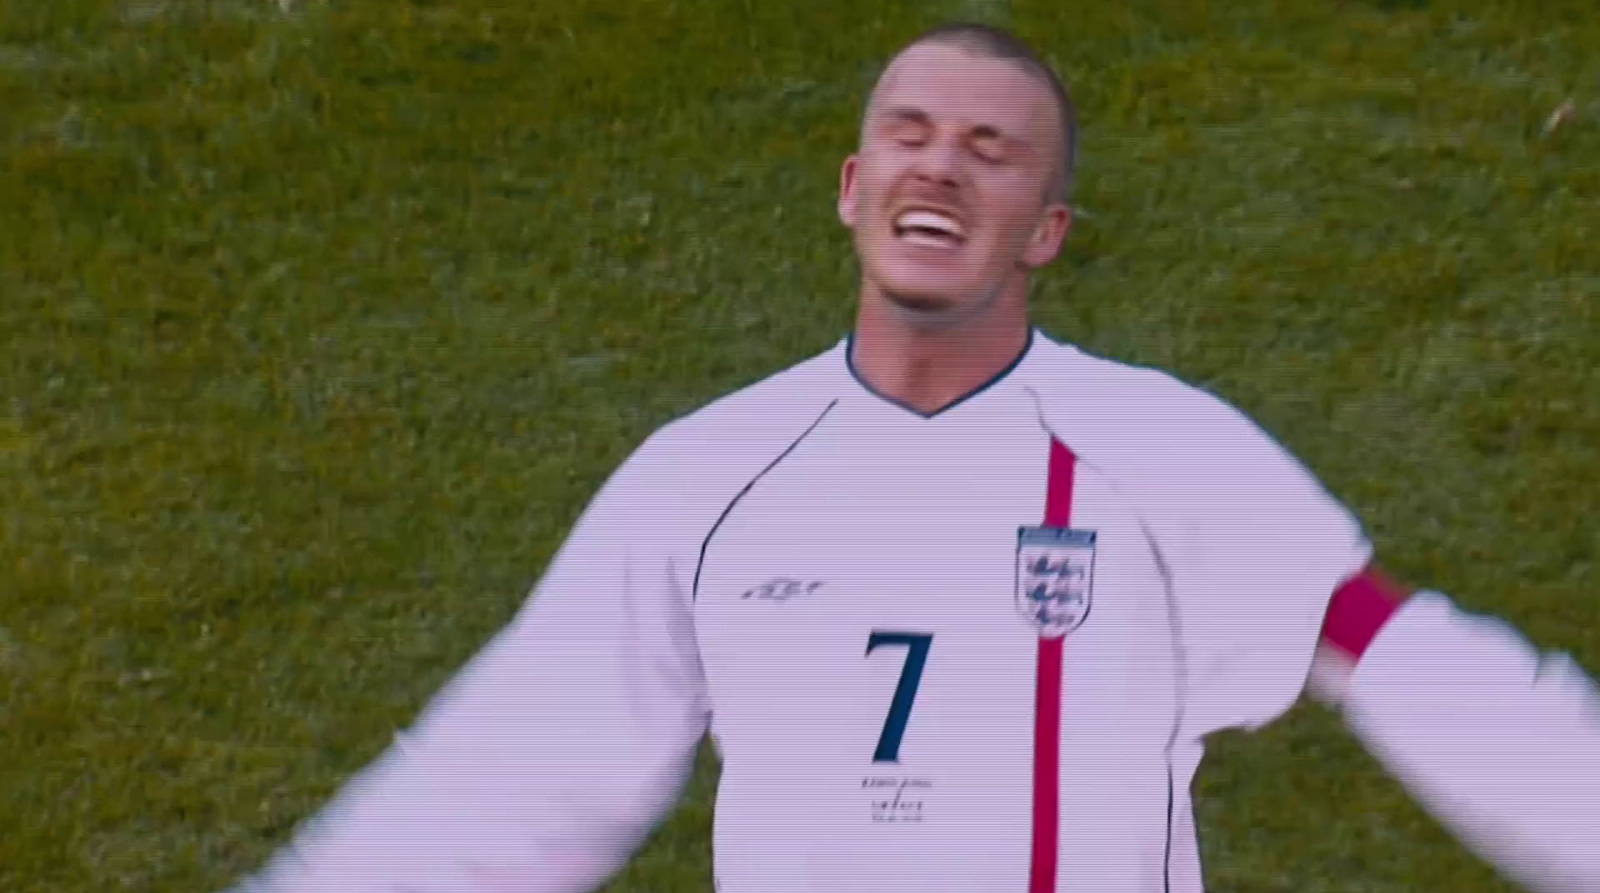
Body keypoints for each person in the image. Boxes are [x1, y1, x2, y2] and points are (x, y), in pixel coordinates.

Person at [222, 22, 1600, 893]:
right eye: (911, 136)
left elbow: (1422, 670)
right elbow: (512, 781)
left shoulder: (1162, 455)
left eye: (991, 152)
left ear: (1046, 231)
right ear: (851, 187)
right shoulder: (705, 480)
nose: (939, 169)